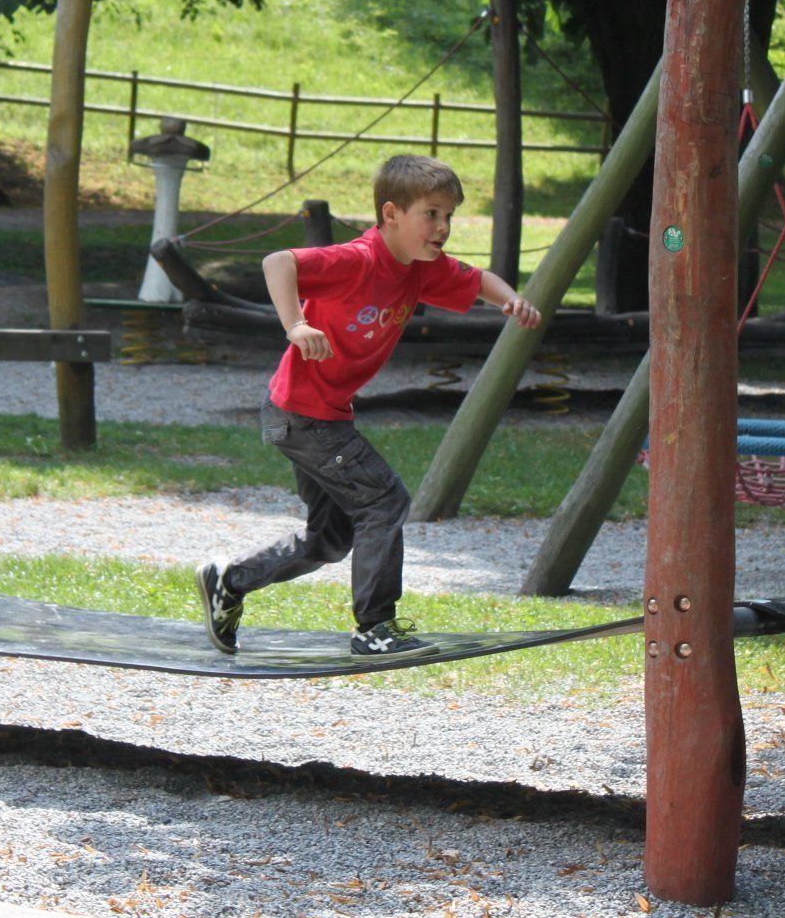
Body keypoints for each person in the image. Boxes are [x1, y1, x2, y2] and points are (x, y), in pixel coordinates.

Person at [196, 154, 542, 656]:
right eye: (431, 214)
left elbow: (477, 279)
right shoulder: (358, 260)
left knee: (330, 538)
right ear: (391, 214)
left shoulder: (421, 270)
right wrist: (296, 325)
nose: (443, 227)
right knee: (384, 501)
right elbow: (278, 262)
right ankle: (375, 628)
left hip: (313, 415)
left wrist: (511, 300)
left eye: (449, 215)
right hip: (303, 415)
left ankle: (230, 581)